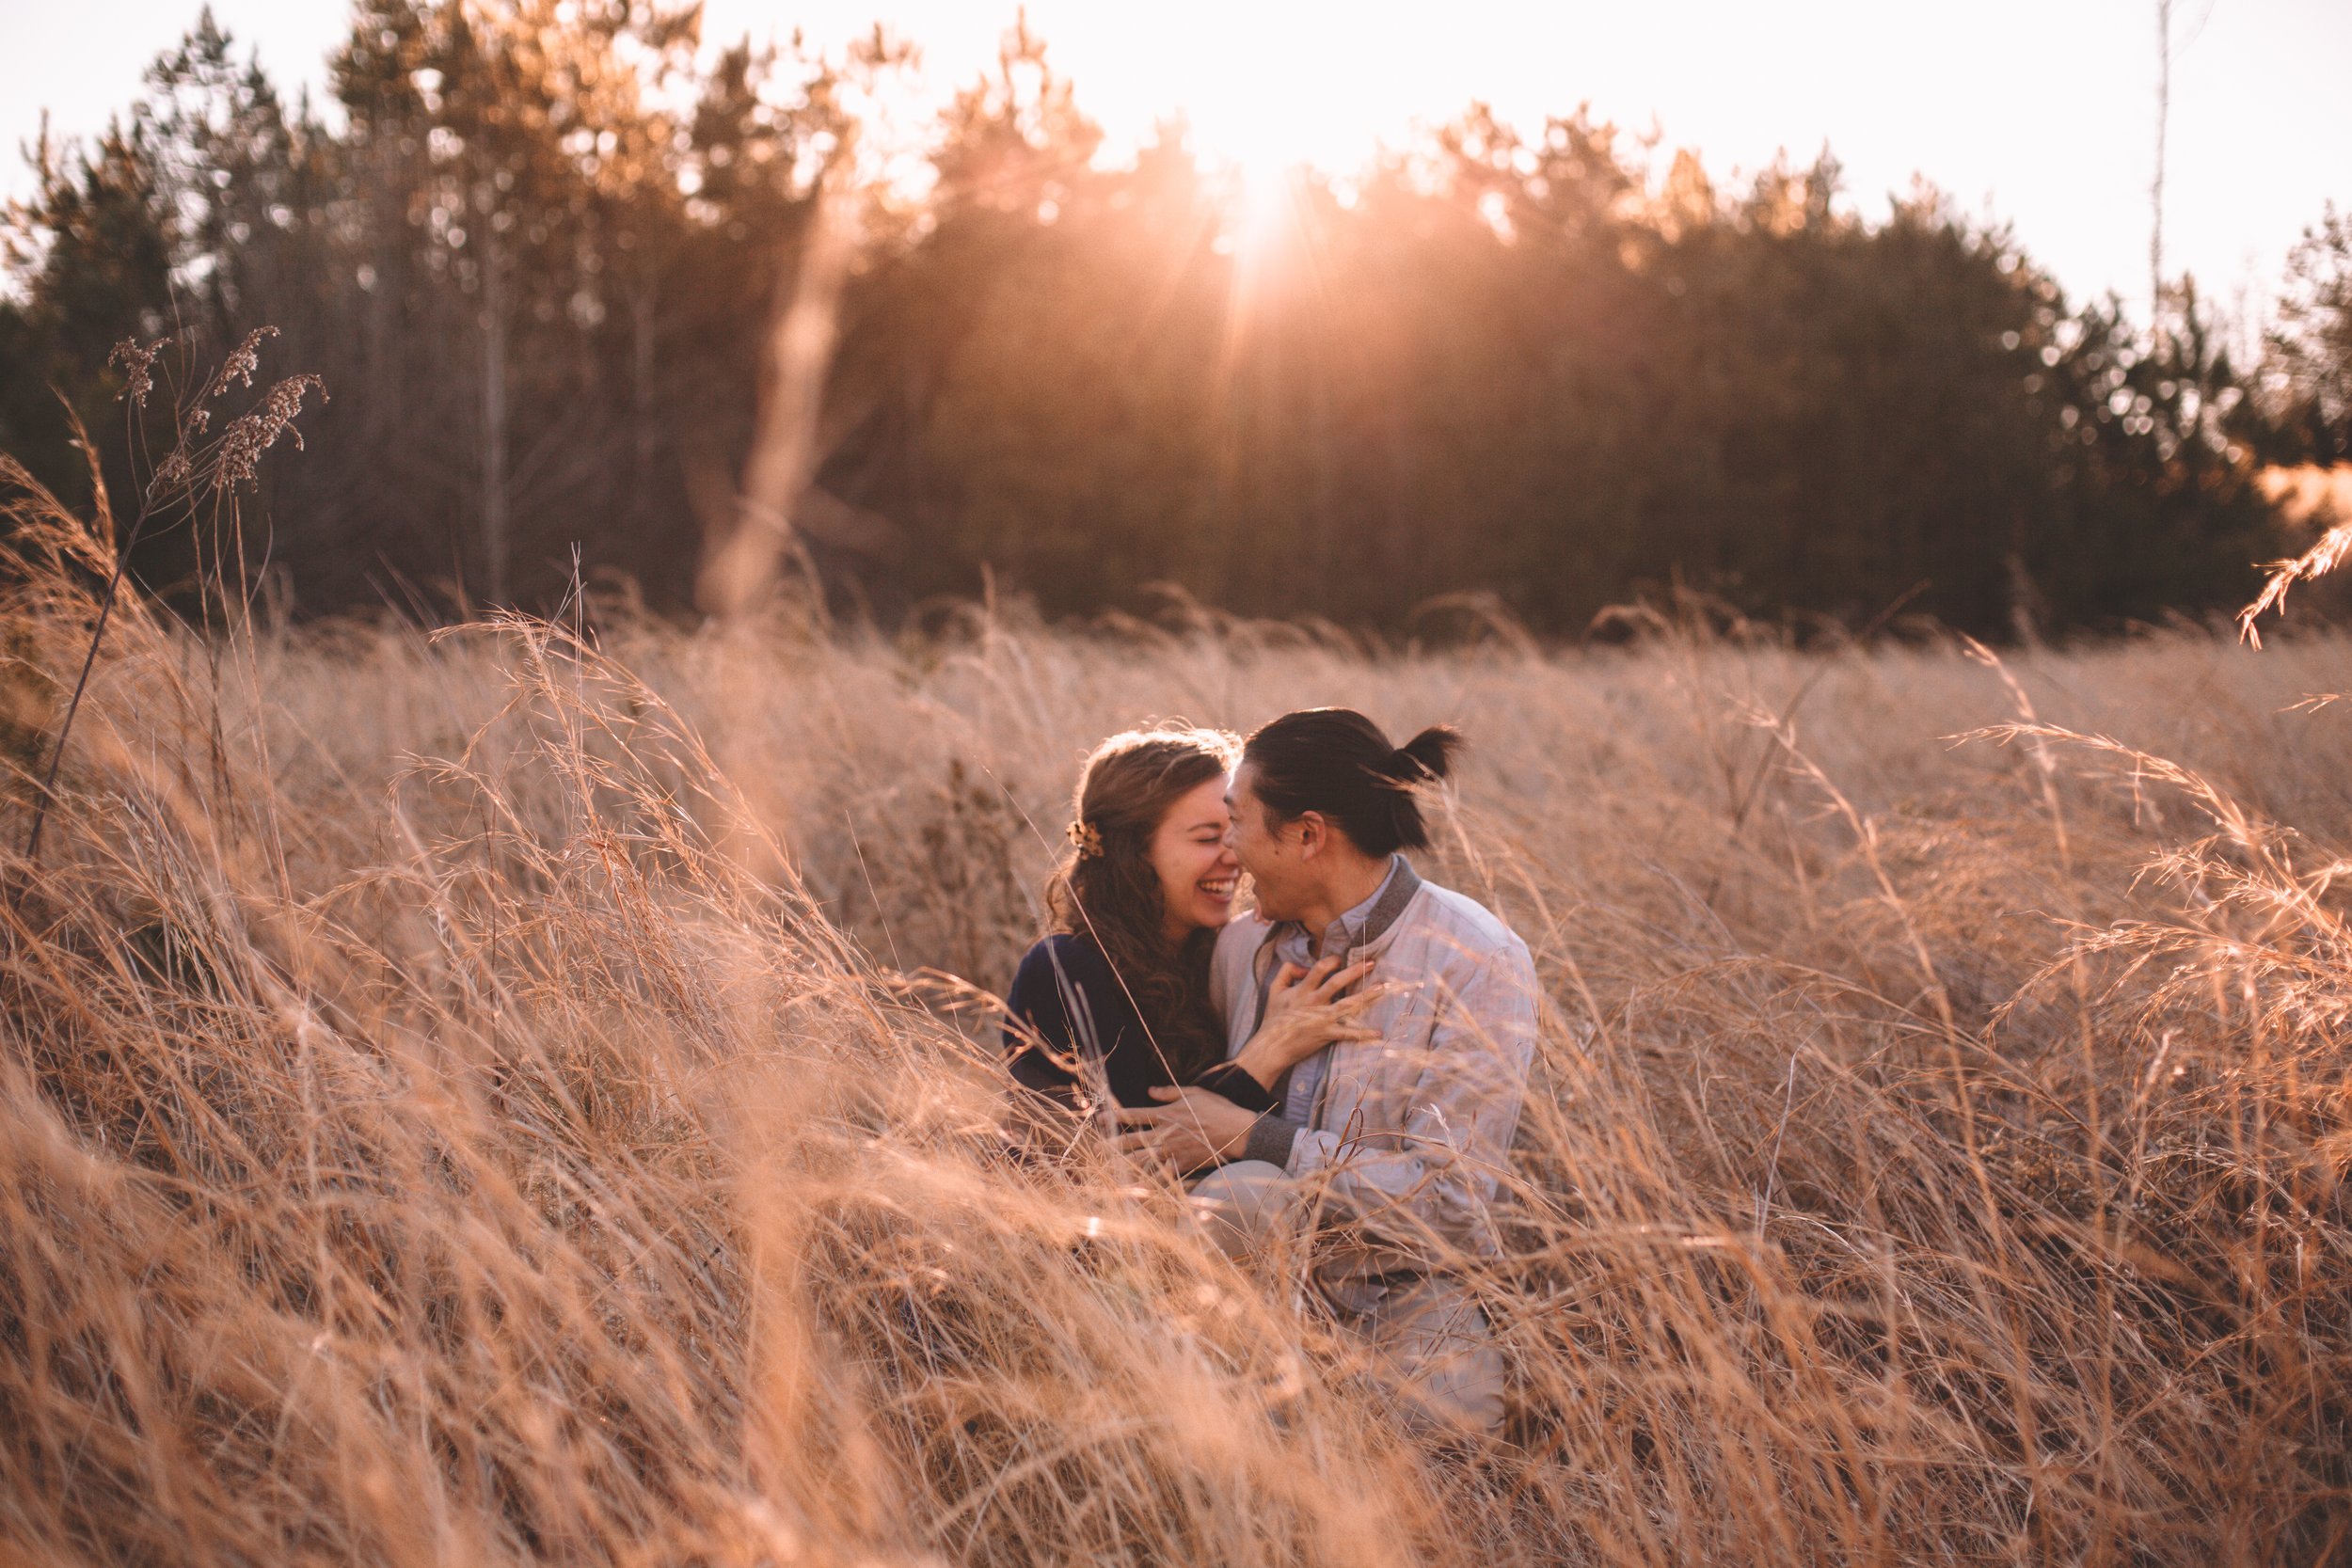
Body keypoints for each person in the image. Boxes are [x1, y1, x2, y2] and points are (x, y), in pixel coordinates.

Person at [1112, 708, 1539, 1435]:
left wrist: (1258, 1137)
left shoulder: (1478, 957)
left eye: (1239, 822)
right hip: (1250, 1281)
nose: (1231, 853)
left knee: (1444, 1438)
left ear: (1308, 835)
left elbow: (1455, 1203)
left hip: (1400, 1289)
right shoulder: (1241, 945)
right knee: (1245, 1198)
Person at [1003, 725, 1380, 1137]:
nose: (1234, 854)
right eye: (1207, 838)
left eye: (1236, 829)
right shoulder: (1063, 970)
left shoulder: (1230, 953)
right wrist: (1271, 1050)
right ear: (1135, 852)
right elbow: (1137, 1145)